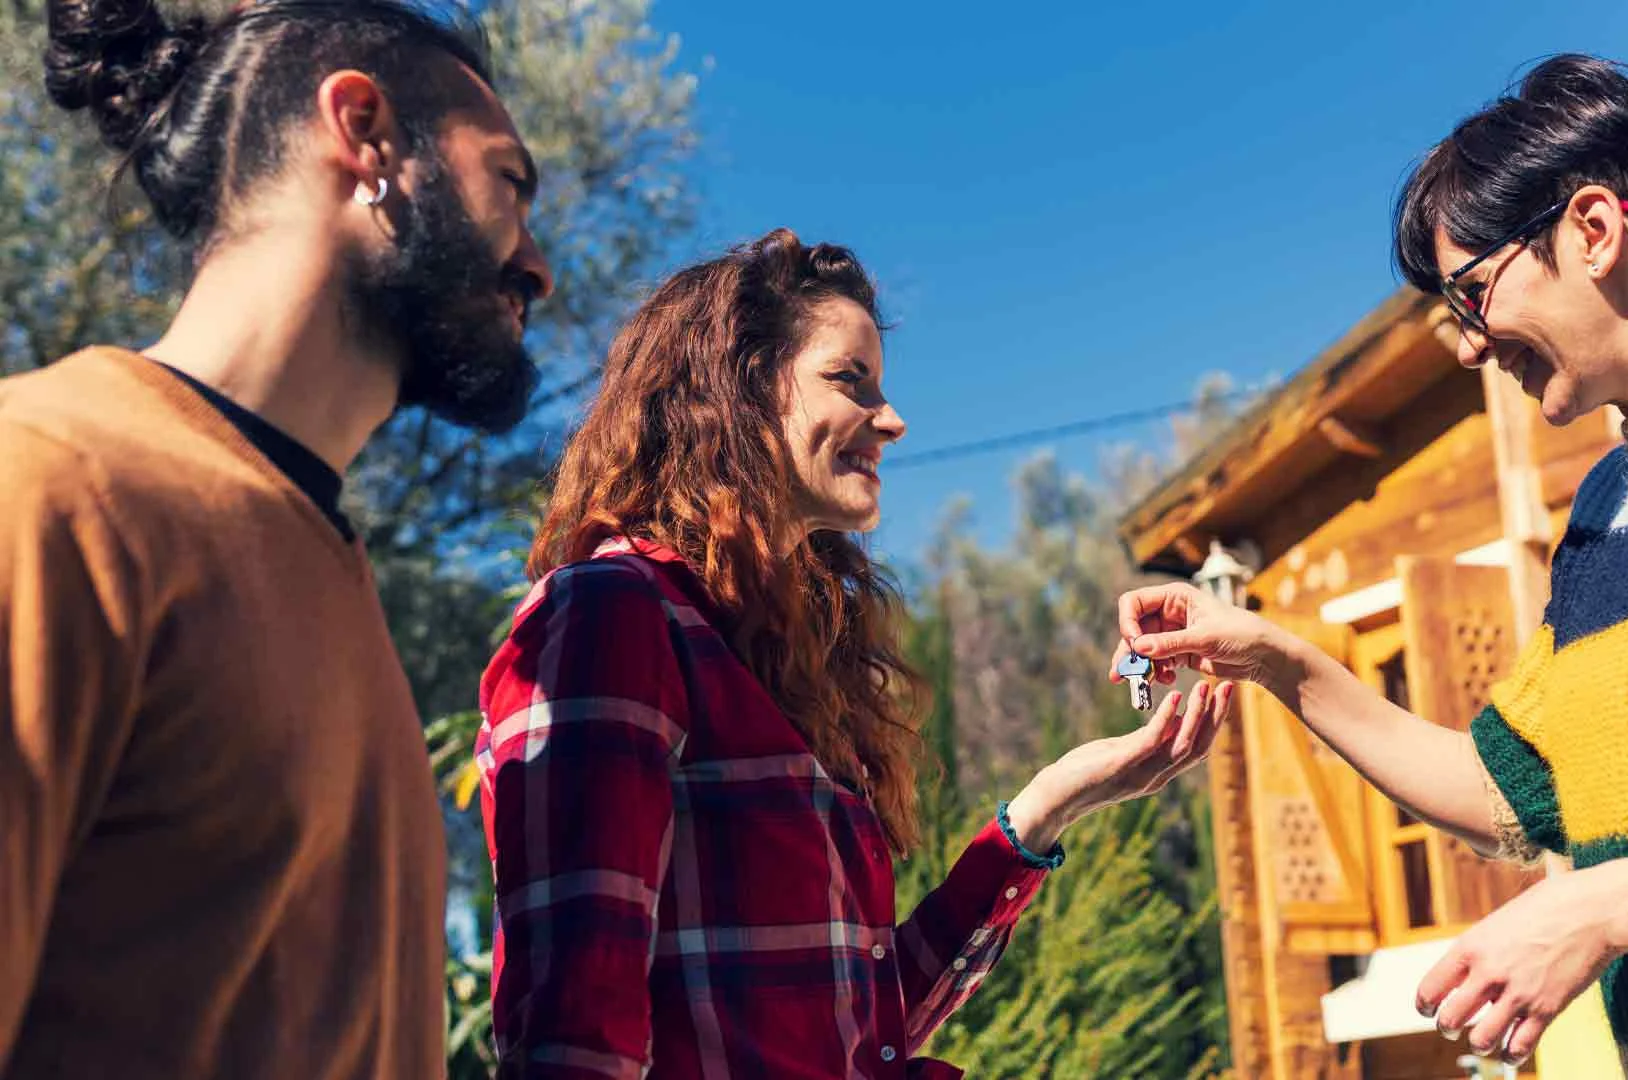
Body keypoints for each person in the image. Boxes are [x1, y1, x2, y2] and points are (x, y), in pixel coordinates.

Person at [1113, 55, 1628, 1078]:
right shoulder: (1608, 508)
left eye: (1472, 292)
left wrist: (1606, 904)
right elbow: (1509, 791)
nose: (1465, 344)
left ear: (1593, 230)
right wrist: (1274, 658)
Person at [475, 228, 1228, 1078]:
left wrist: (1048, 808)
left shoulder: (787, 668)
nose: (895, 420)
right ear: (737, 389)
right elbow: (572, 1036)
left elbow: (865, 1029)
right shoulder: (614, 617)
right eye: (849, 381)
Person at [0, 1, 552, 1075]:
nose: (538, 267)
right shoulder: (51, 482)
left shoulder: (332, 590)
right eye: (510, 186)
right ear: (365, 133)